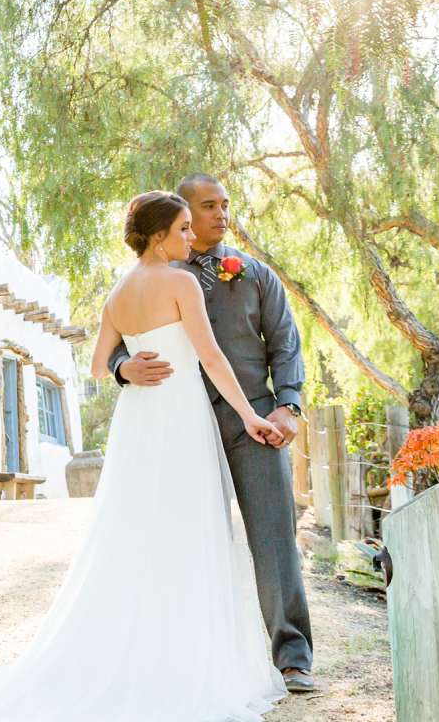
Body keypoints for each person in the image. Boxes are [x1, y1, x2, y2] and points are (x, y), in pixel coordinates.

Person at [0, 191, 287, 722]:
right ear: (159, 236)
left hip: (140, 419)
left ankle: (146, 657)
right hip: (181, 415)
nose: (193, 239)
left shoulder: (119, 293)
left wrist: (127, 370)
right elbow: (211, 358)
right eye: (185, 229)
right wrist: (250, 415)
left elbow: (98, 365)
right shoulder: (183, 283)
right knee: (189, 531)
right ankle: (181, 665)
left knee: (139, 534)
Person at [114, 172, 316, 689]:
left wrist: (287, 406)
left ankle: (292, 657)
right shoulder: (146, 276)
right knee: (183, 540)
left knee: (274, 536)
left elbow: (286, 342)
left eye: (225, 205)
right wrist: (122, 368)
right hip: (178, 422)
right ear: (177, 212)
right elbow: (118, 336)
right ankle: (182, 658)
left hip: (252, 419)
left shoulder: (252, 273)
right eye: (208, 206)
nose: (221, 215)